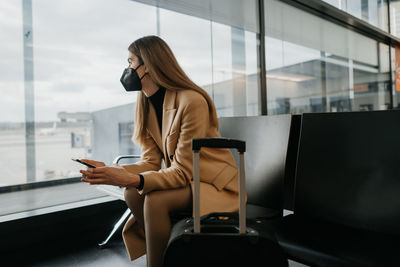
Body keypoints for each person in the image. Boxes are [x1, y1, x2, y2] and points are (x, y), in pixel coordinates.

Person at [80, 35, 240, 267]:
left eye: (130, 62)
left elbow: (183, 172)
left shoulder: (191, 101)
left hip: (213, 184)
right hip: (188, 181)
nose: (127, 69)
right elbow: (150, 161)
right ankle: (170, 253)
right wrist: (111, 170)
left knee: (154, 199)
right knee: (132, 193)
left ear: (148, 65)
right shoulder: (145, 103)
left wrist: (131, 178)